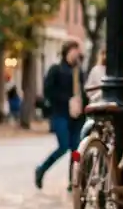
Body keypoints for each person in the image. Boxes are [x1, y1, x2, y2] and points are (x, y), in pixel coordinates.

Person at [35, 41, 86, 192]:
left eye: (77, 51)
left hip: (77, 115)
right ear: (66, 52)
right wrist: (67, 100)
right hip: (60, 113)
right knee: (63, 146)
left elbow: (83, 92)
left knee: (76, 150)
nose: (76, 54)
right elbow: (48, 92)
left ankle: (74, 180)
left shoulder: (79, 72)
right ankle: (42, 169)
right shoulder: (56, 70)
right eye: (73, 51)